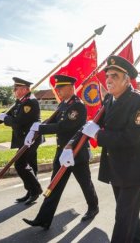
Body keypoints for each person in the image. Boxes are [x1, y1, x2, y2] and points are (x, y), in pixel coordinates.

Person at [81, 55, 140, 243]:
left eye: (114, 76)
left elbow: (130, 138)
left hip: (132, 170)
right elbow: (95, 123)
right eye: (107, 76)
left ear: (127, 80)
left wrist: (97, 135)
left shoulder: (139, 102)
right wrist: (72, 144)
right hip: (115, 167)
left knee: (123, 218)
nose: (109, 80)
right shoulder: (109, 101)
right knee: (129, 216)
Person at [22, 74, 98, 230]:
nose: (58, 91)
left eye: (61, 88)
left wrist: (40, 128)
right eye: (57, 88)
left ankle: (93, 207)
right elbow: (53, 122)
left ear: (71, 88)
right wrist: (36, 127)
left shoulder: (77, 106)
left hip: (76, 153)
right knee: (54, 186)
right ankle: (43, 219)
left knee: (85, 183)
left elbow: (64, 126)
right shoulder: (63, 105)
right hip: (61, 152)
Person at [0, 77, 42, 205]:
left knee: (20, 164)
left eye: (16, 89)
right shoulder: (20, 101)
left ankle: (35, 190)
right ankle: (31, 191)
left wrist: (5, 118)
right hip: (25, 139)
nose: (13, 91)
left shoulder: (29, 103)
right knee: (30, 165)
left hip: (31, 139)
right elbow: (8, 112)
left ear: (24, 89)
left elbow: (17, 122)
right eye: (14, 88)